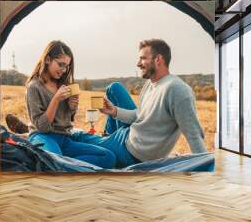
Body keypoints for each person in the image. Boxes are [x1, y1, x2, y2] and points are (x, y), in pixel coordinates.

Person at [69, 38, 208, 168]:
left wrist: (205, 173)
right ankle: (107, 138)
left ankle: (93, 141)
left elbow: (194, 135)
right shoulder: (151, 83)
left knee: (81, 138)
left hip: (130, 152)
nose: (138, 63)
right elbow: (140, 115)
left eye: (142, 58)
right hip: (127, 136)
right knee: (114, 88)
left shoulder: (177, 89)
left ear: (158, 59)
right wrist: (115, 111)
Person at [20, 40, 116, 169]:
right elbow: (42, 127)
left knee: (108, 157)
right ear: (48, 59)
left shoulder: (63, 85)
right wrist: (56, 99)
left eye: (66, 67)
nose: (64, 70)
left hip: (64, 138)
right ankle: (63, 165)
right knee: (55, 162)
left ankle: (64, 165)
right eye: (61, 65)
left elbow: (66, 119)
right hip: (43, 136)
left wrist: (71, 108)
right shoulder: (34, 87)